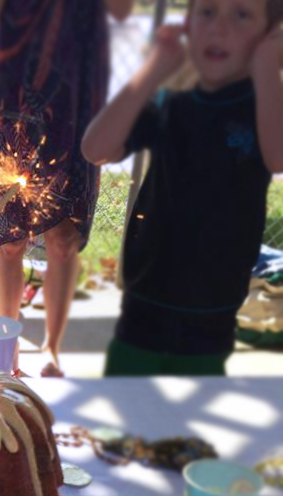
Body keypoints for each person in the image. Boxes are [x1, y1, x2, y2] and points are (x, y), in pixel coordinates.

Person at [81, 0, 283, 376]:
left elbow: (278, 157)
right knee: (126, 405)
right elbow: (95, 149)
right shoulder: (170, 101)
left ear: (268, 35)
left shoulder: (264, 107)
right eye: (207, 12)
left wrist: (267, 67)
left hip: (214, 305)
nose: (219, 28)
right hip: (146, 297)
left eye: (242, 15)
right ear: (189, 23)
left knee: (188, 410)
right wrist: (154, 68)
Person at [0, 0, 134, 376]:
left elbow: (122, 10)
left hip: (79, 81)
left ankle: (52, 350)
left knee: (65, 235)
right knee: (8, 236)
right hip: (12, 84)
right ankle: (5, 353)